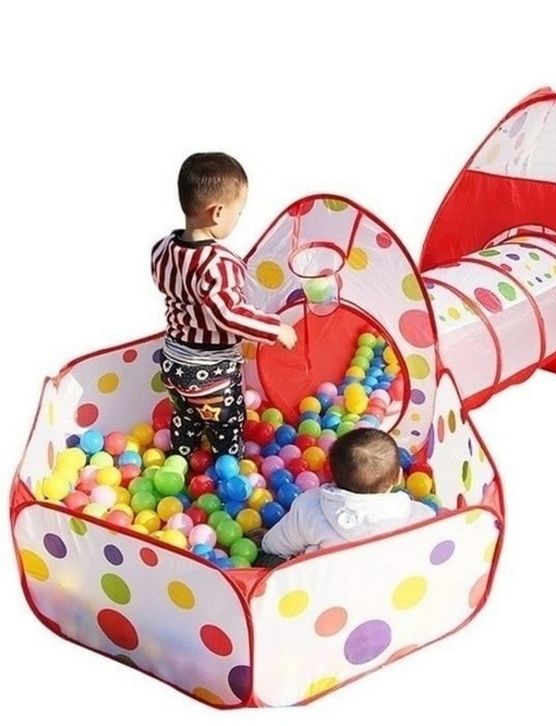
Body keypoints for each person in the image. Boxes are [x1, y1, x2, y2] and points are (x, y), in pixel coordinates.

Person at [151, 152, 297, 457]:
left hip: (173, 361)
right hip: (212, 371)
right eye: (238, 212)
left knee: (186, 416)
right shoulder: (219, 263)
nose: (238, 218)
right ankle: (225, 469)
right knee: (226, 425)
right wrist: (275, 329)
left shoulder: (163, 248)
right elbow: (229, 314)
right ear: (217, 212)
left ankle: (181, 458)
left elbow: (167, 284)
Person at [258, 429, 434, 565]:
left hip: (322, 592)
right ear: (398, 477)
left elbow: (274, 545)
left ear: (331, 474)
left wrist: (264, 543)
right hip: (386, 592)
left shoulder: (309, 507)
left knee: (265, 559)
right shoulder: (420, 516)